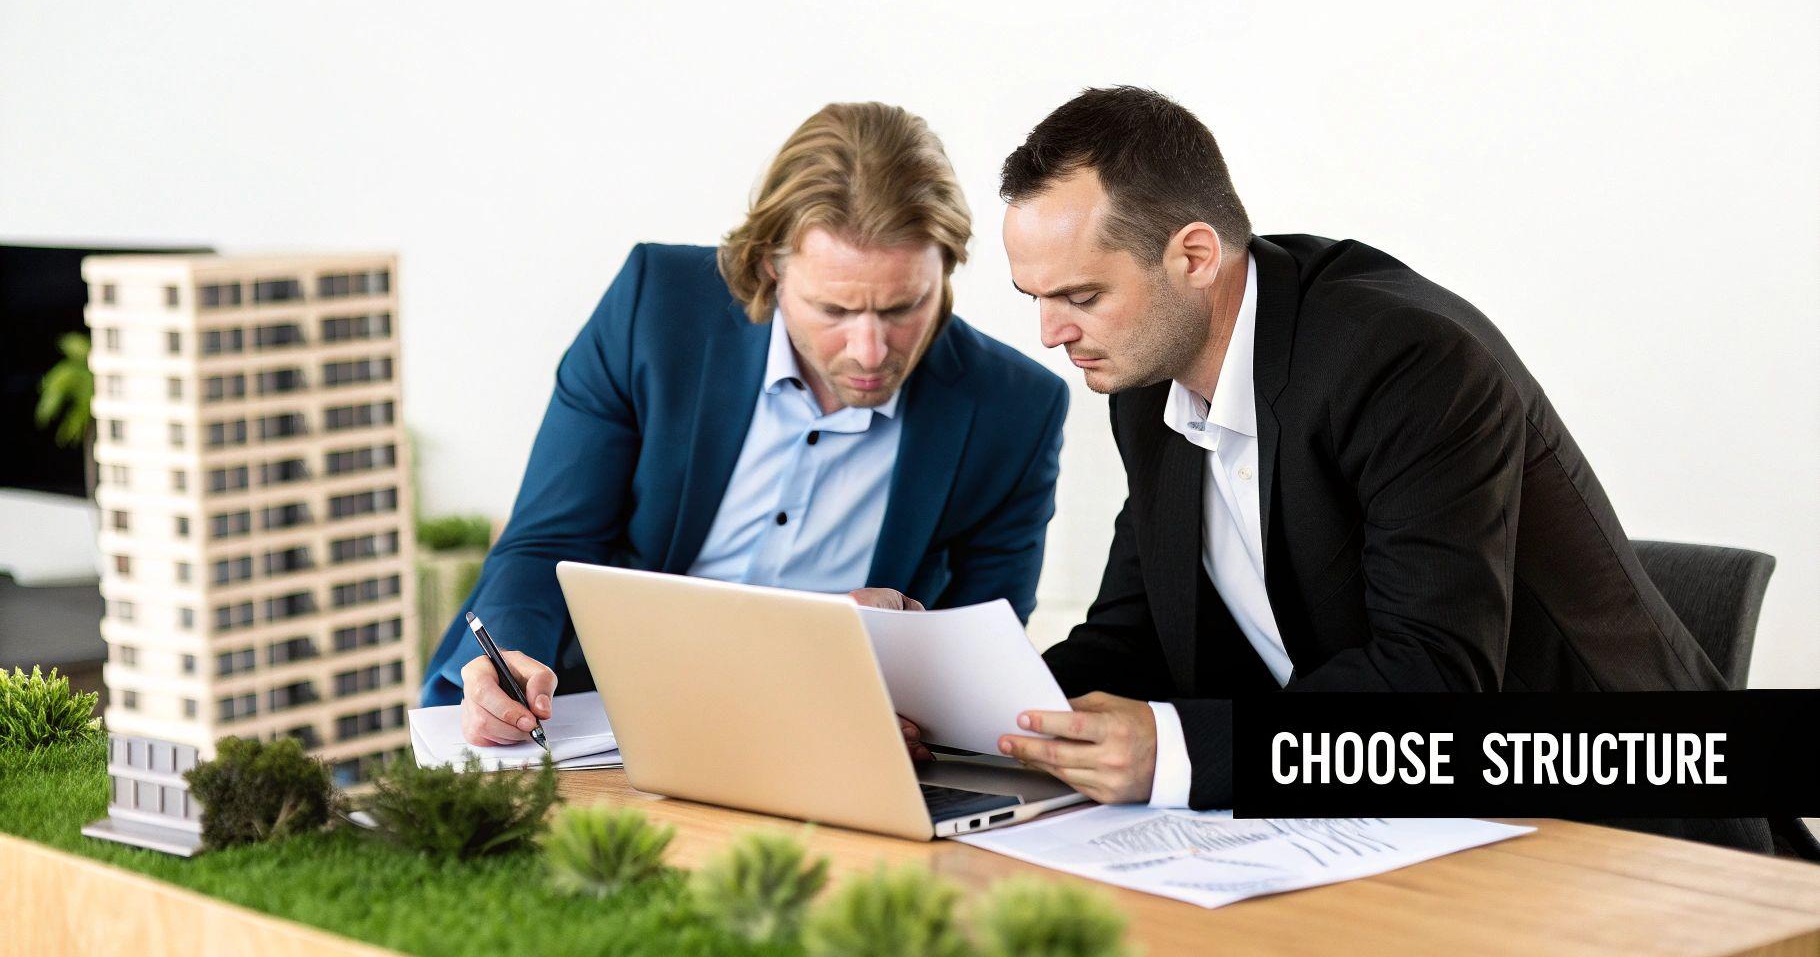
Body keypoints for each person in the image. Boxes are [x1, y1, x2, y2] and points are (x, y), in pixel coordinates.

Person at [978, 85, 1766, 852]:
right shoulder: (1148, 376)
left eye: (1080, 295)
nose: (1052, 333)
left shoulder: (1405, 362)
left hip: (1612, 830)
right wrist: (974, 716)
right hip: (1372, 828)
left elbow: (1433, 682)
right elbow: (1134, 635)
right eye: (1036, 298)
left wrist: (1178, 751)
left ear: (1193, 256)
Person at [421, 102, 1068, 752]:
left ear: (948, 268)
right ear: (769, 267)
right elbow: (550, 540)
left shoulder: (1015, 411)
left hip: (826, 739)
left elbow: (985, 669)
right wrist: (507, 656)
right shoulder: (657, 310)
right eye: (834, 309)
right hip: (602, 716)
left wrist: (900, 668)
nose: (871, 352)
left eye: (905, 307)